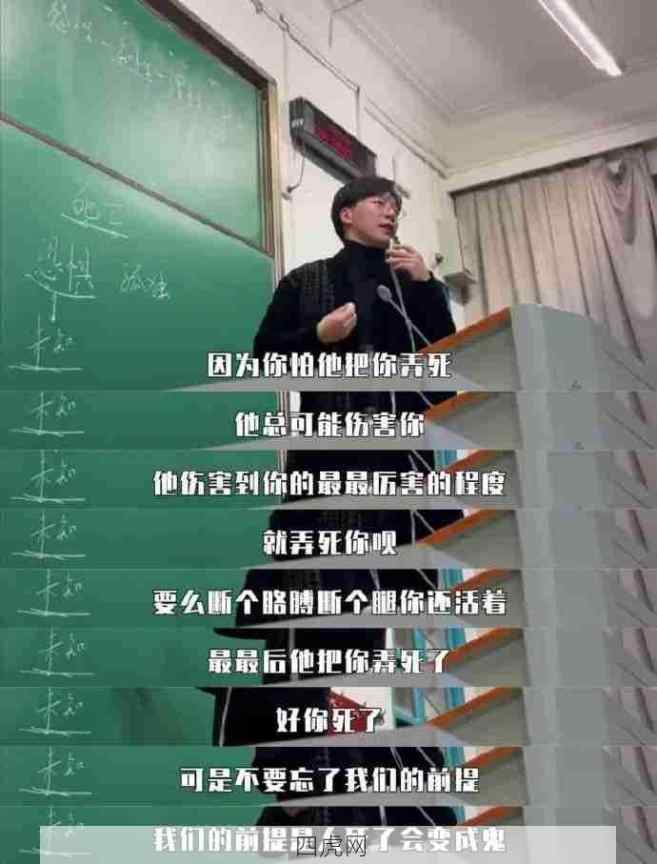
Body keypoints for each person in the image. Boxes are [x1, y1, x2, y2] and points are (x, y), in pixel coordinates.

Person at [212, 175, 462, 827]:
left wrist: (429, 291)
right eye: (380, 202)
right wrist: (317, 339)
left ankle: (347, 792)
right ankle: (300, 792)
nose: (391, 212)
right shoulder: (305, 282)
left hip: (398, 490)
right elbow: (264, 361)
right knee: (307, 628)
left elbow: (447, 379)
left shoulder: (412, 286)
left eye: (396, 206)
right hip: (326, 485)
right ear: (346, 213)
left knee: (364, 637)